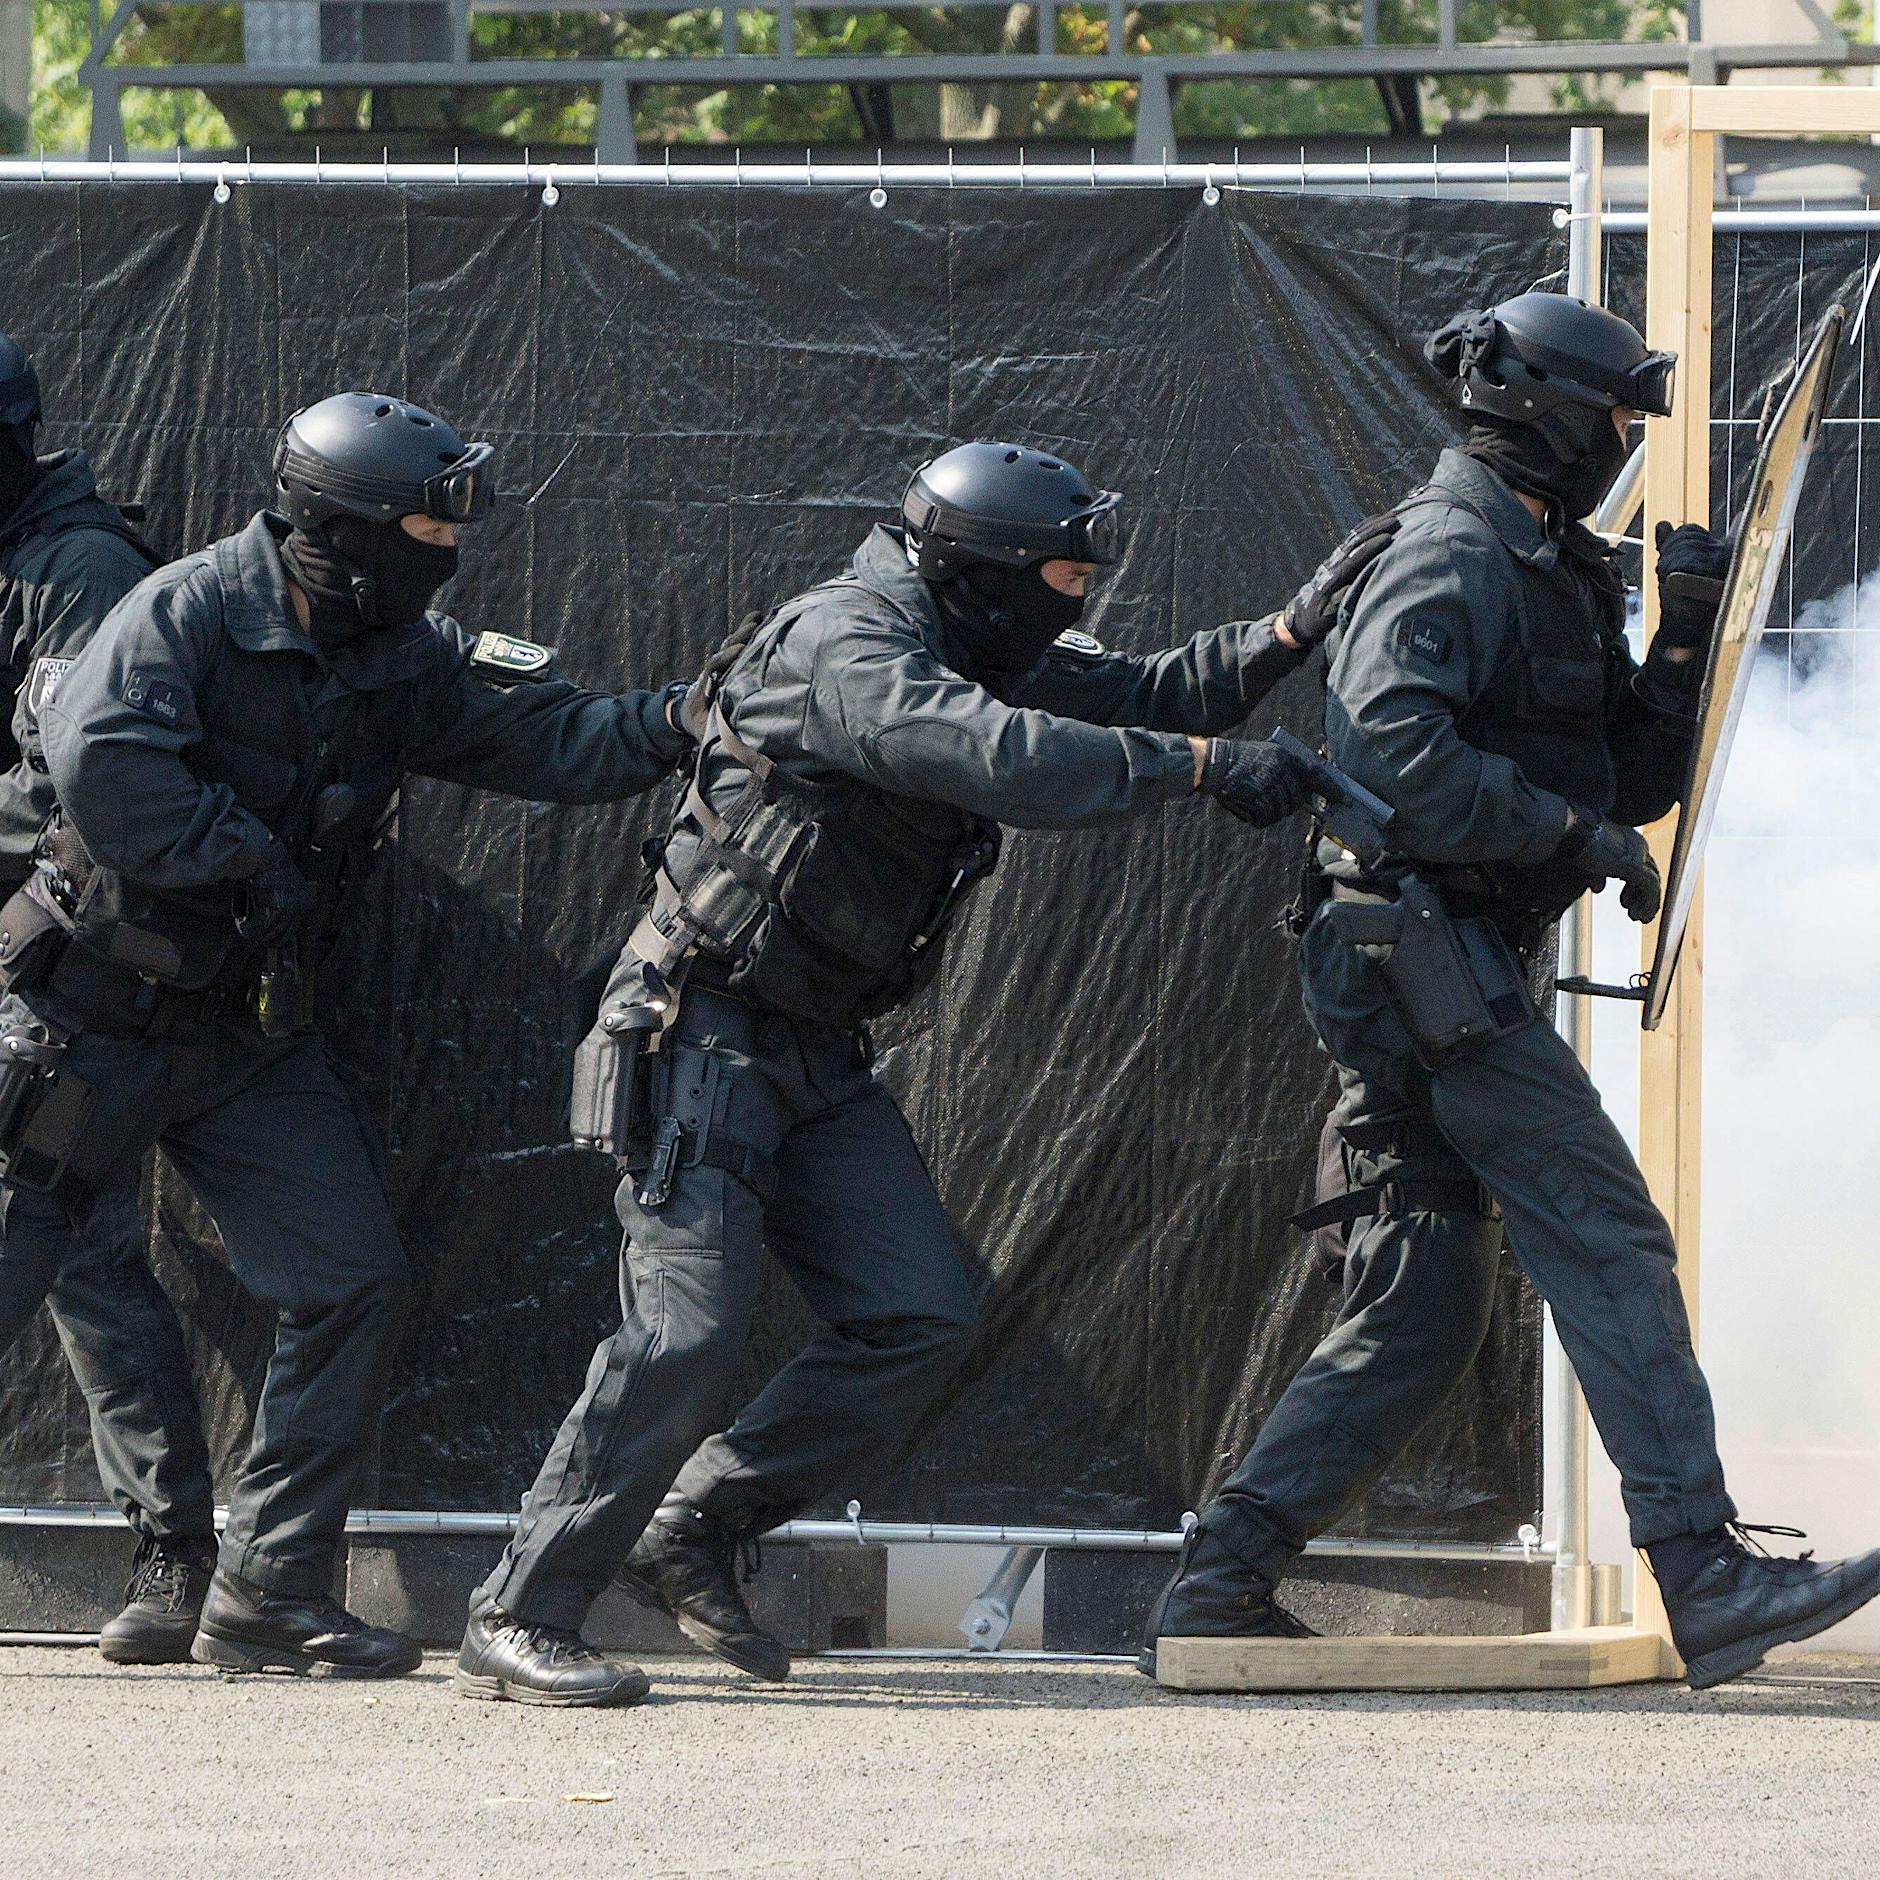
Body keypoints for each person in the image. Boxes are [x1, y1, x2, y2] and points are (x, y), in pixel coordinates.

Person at [458, 439, 1391, 1708]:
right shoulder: (848, 644)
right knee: (683, 1328)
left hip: (813, 1052)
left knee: (915, 1316)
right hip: (701, 1029)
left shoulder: (968, 632)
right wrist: (1195, 770)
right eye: (1060, 573)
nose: (1075, 598)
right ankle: (518, 1609)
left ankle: (701, 1521)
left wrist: (1288, 629)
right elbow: (989, 752)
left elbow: (1140, 688)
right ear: (983, 571)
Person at [1138, 291, 1880, 1692]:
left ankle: (1217, 1584)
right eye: (1616, 412)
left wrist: (1683, 640)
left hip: (1453, 957)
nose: (1624, 436)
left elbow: (1628, 782)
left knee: (1418, 1307)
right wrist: (1575, 841)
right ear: (1542, 404)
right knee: (1607, 1236)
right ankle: (1703, 1571)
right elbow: (1391, 763)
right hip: (1413, 954)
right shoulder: (1452, 552)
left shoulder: (1544, 556)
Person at [1, 391, 691, 1678]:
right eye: (428, 520)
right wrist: (247, 860)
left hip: (238, 1039)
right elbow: (105, 761)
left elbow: (539, 731)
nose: (447, 544)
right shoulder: (187, 612)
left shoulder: (401, 645)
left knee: (346, 1278)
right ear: (344, 529)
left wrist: (676, 723)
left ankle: (267, 1589)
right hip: (88, 1022)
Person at [0, 330, 222, 1665]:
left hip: (59, 958)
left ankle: (171, 1546)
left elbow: (82, 790)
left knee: (69, 1246)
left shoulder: (78, 570)